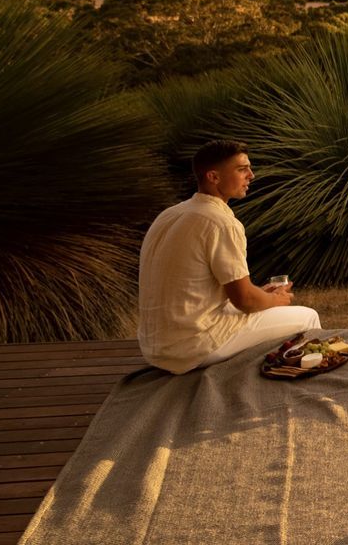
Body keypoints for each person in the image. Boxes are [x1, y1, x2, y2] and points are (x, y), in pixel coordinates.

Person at [137, 140, 319, 374]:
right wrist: (274, 301)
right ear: (213, 177)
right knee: (308, 317)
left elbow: (198, 287)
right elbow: (244, 301)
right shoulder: (220, 222)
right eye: (242, 169)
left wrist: (261, 295)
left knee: (262, 303)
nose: (251, 175)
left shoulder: (170, 215)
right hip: (193, 346)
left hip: (156, 347)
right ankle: (299, 386)